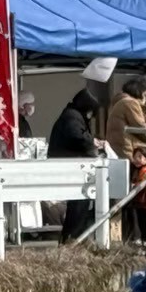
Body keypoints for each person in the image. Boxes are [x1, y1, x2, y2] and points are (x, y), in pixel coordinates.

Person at [48, 89, 103, 244]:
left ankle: (71, 238)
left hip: (68, 164)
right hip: (70, 167)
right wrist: (92, 142)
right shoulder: (72, 117)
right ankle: (72, 238)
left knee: (79, 204)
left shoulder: (71, 114)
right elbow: (77, 137)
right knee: (79, 203)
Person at [107, 75, 146, 161]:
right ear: (139, 92)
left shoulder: (119, 101)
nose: (145, 99)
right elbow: (140, 126)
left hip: (116, 145)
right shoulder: (130, 103)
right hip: (127, 146)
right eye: (145, 95)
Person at [122, 143, 146, 244]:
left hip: (144, 202)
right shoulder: (135, 169)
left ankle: (145, 240)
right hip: (138, 201)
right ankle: (138, 239)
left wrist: (136, 185)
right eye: (135, 156)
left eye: (140, 157)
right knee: (137, 220)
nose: (137, 159)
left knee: (143, 221)